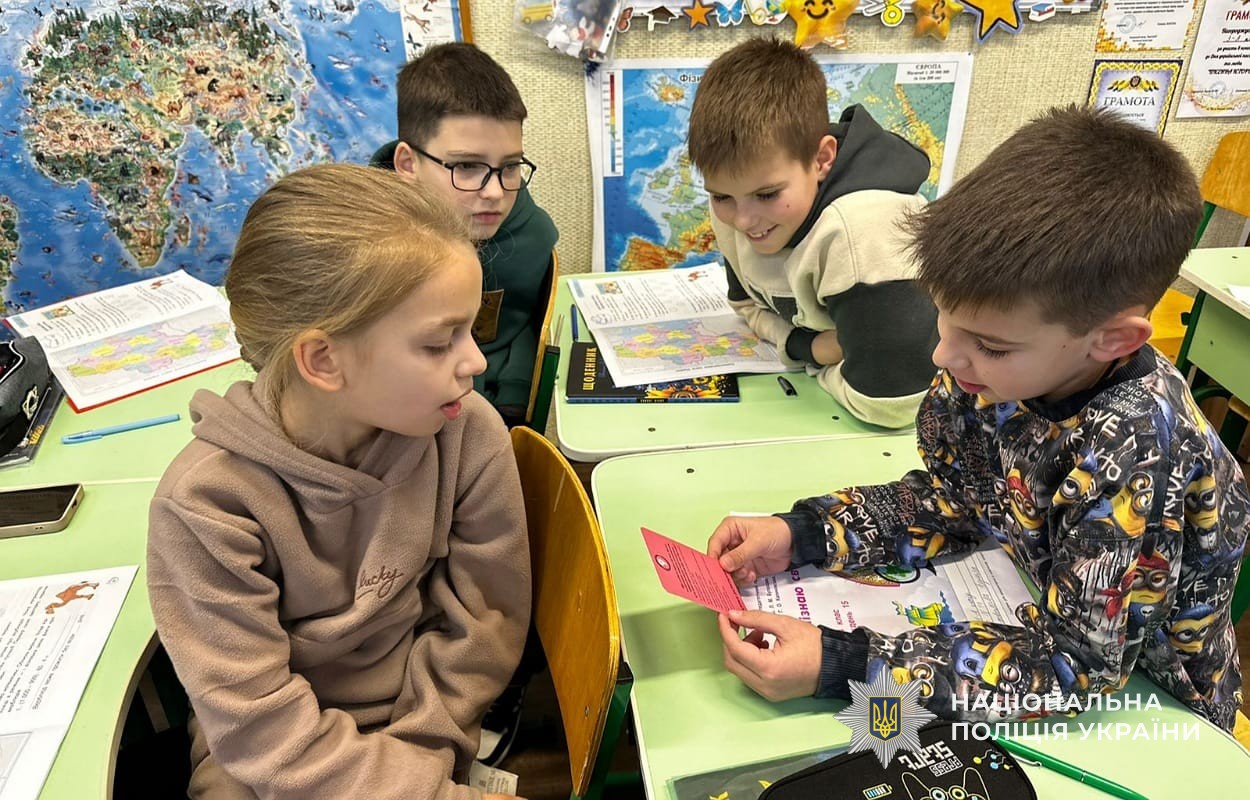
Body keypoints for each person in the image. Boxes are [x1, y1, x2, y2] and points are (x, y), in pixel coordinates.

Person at [706, 105, 1249, 730]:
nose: (942, 354)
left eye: (990, 343)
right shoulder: (984, 365)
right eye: (941, 315)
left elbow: (1076, 669)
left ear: (1113, 340)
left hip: (1155, 706)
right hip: (1019, 596)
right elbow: (953, 502)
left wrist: (848, 666)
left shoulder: (1137, 451)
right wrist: (803, 534)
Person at [147, 164, 530, 799]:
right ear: (324, 359)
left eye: (472, 329)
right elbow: (256, 727)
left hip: (426, 729)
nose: (476, 361)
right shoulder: (205, 506)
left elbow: (483, 622)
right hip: (269, 757)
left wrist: (423, 762)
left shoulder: (465, 431)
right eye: (439, 343)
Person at [687, 37, 938, 429]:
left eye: (767, 194)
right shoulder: (738, 204)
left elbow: (891, 403)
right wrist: (810, 348)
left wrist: (814, 366)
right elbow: (747, 307)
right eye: (721, 197)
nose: (742, 221)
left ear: (822, 159)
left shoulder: (866, 233)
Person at [372, 42, 558, 430]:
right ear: (407, 163)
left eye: (509, 167)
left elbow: (526, 321)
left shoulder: (533, 235)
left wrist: (513, 393)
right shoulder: (364, 246)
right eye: (467, 166)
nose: (494, 192)